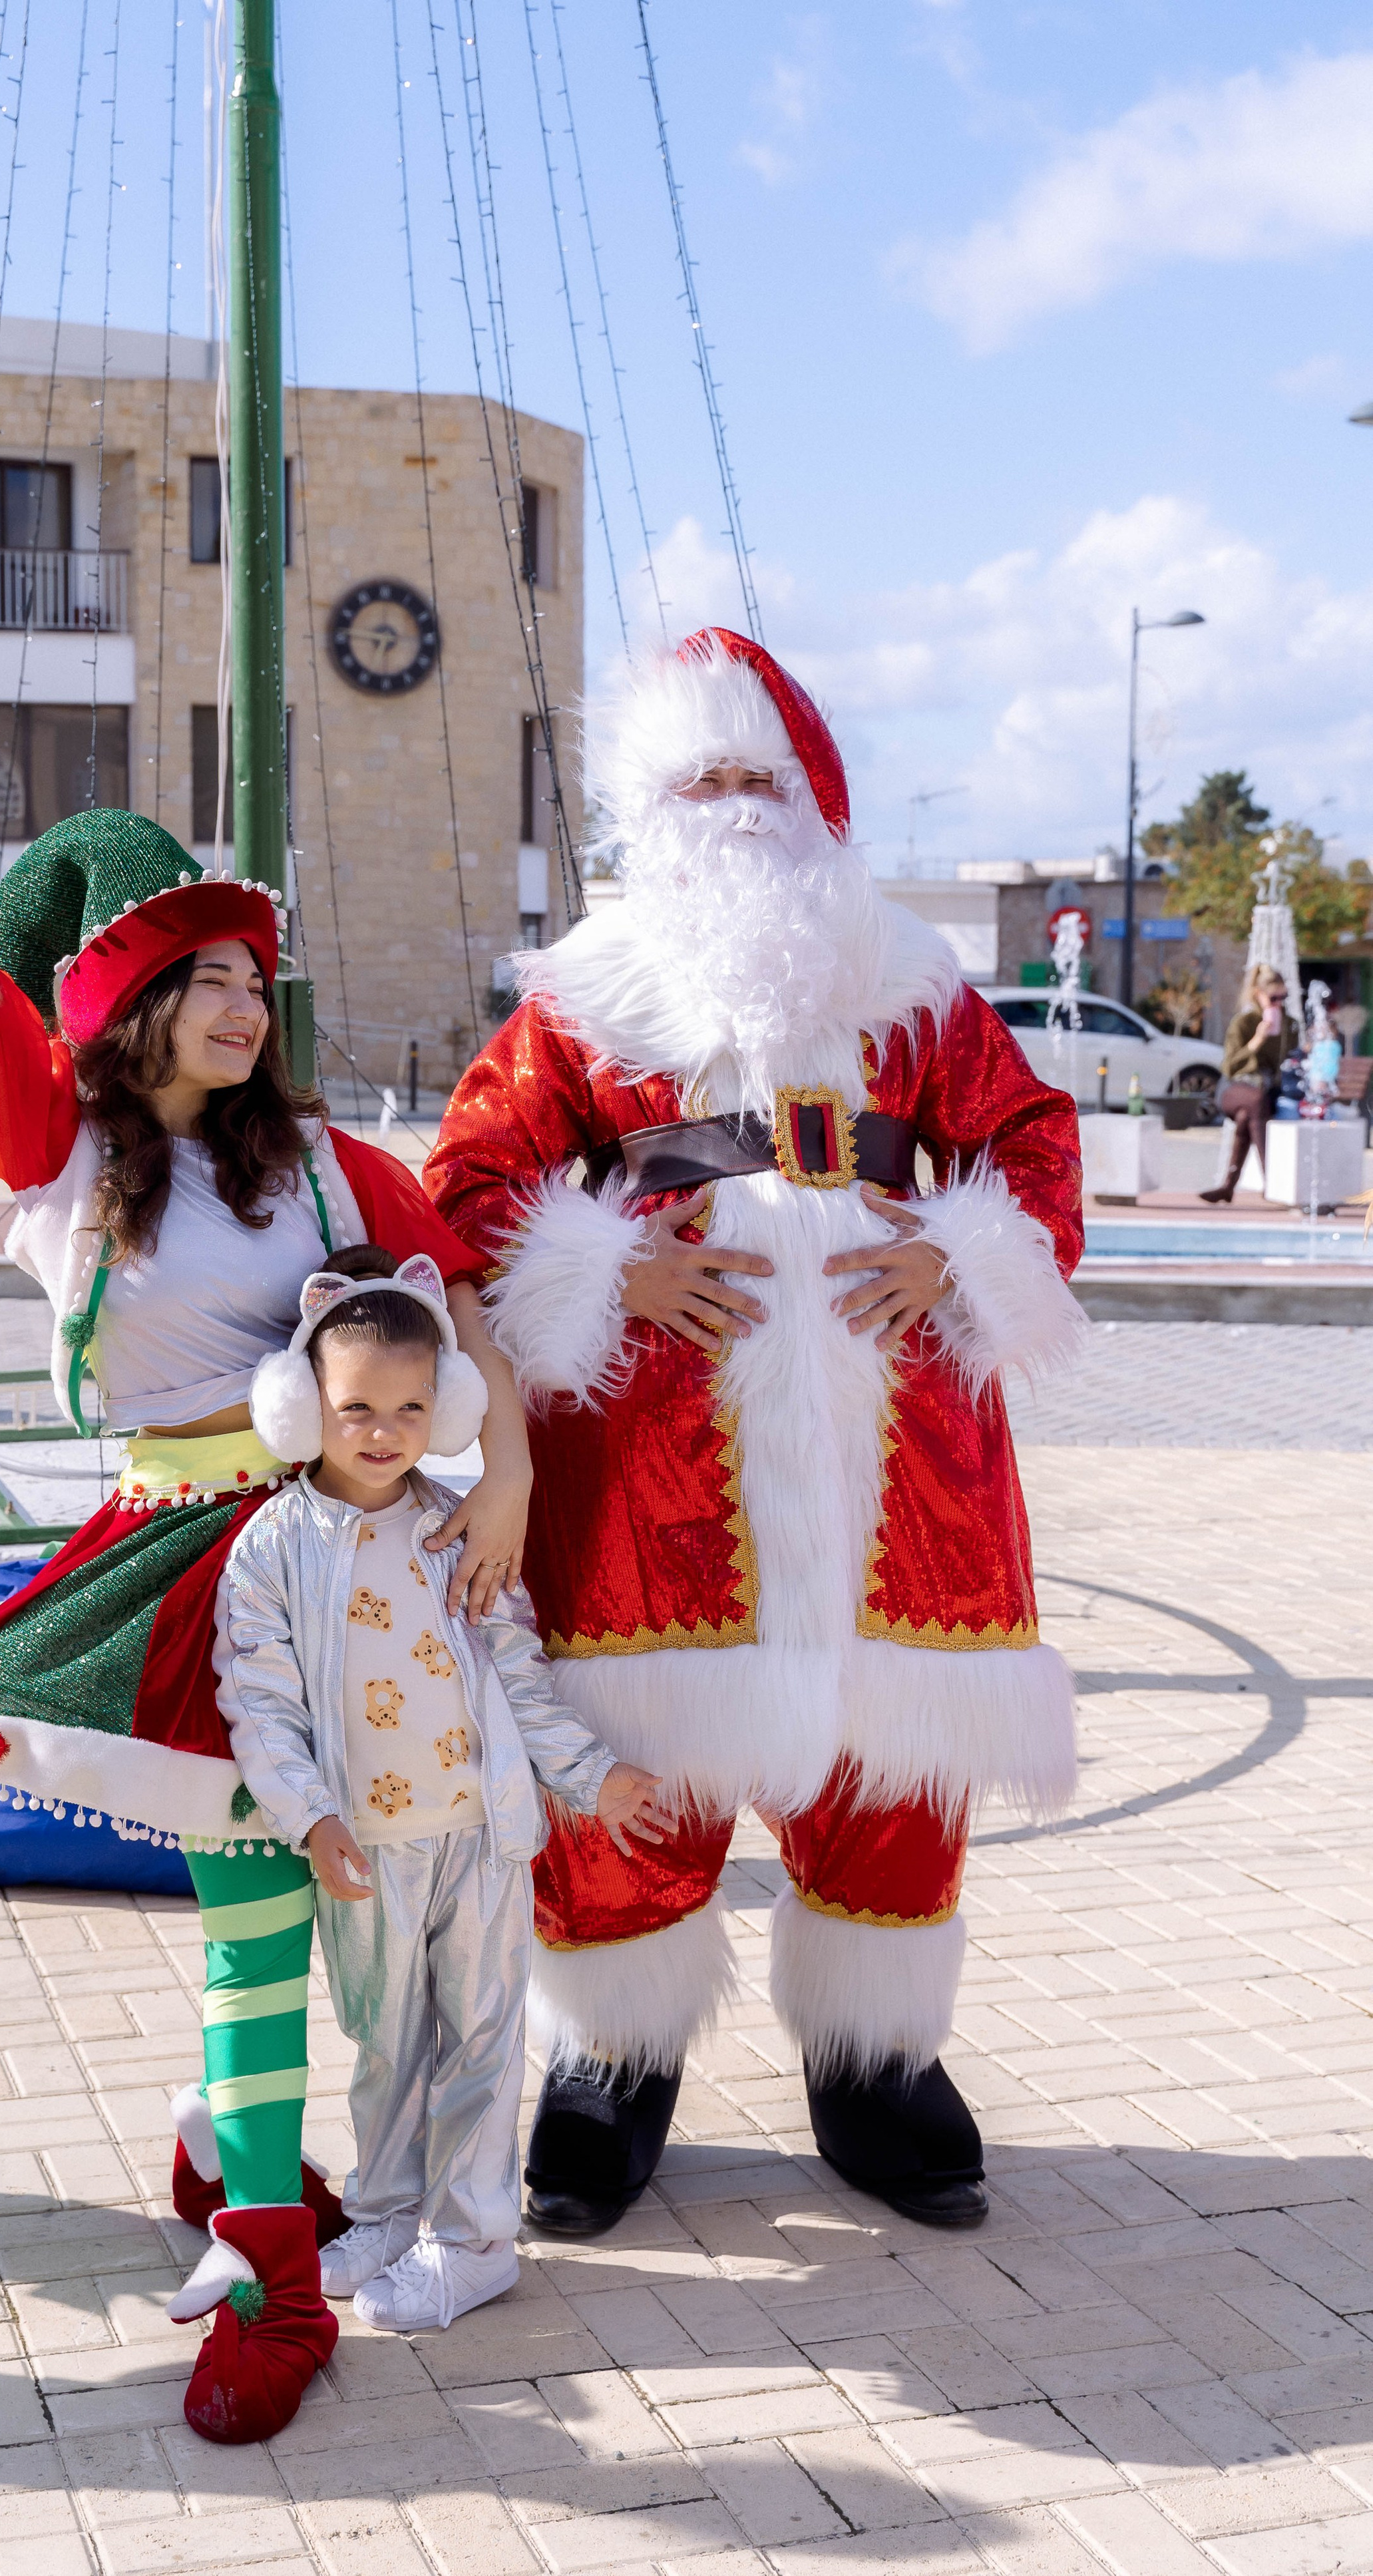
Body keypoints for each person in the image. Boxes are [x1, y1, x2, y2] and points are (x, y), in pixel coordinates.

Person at [0, 602, 535, 2444]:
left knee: (361, 1892)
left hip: (339, 1558)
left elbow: (456, 1313)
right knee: (255, 1885)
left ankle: (240, 2142)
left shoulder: (318, 1161)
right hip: (175, 1556)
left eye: (256, 979)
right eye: (209, 973)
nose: (244, 1001)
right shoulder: (64, 1149)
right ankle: (271, 2243)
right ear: (128, 1002)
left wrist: (499, 1473)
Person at [425, 628, 1086, 2236]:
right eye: (693, 780)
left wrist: (957, 1254)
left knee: (891, 1761)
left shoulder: (913, 976)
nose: (726, 806)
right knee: (635, 1765)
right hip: (648, 1457)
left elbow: (1029, 1142)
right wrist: (613, 1263)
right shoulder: (579, 992)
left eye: (751, 776)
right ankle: (614, 2064)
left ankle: (874, 2062)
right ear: (646, 810)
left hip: (896, 1447)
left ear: (808, 794)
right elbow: (471, 1180)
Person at [176, 1247, 664, 2334]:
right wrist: (311, 1816)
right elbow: (259, 1703)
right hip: (369, 1847)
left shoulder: (462, 1525)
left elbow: (519, 1675)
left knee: (479, 2039)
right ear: (306, 1403)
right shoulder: (271, 1548)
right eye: (355, 1406)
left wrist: (589, 1774)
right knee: (386, 2045)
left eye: (408, 1404)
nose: (382, 1429)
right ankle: (390, 2212)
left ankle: (475, 2240)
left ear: (441, 1405)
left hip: (479, 1840)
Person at [1201, 967, 1298, 1201]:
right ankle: (1272, 1181)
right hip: (1233, 1088)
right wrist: (1256, 1041)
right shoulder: (1244, 1023)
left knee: (1248, 1116)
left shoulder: (1289, 1025)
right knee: (1254, 1103)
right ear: (1258, 994)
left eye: (1284, 997)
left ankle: (1228, 1187)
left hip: (1266, 1092)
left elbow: (1289, 1064)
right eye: (1273, 998)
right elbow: (1228, 1068)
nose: (1279, 1004)